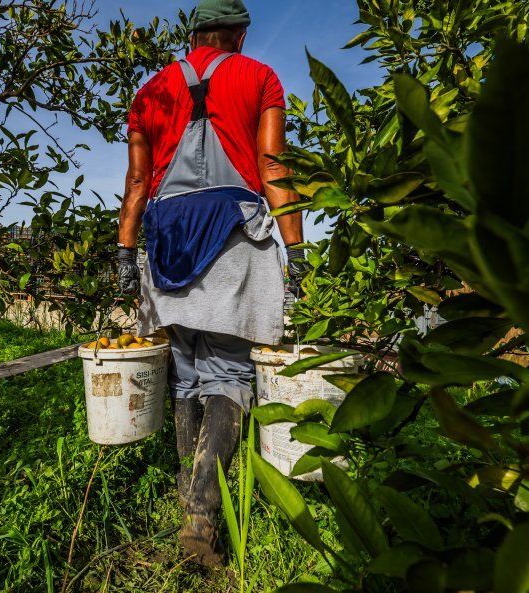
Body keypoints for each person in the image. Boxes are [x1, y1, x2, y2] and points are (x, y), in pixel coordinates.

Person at [116, 0, 306, 566]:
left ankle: (188, 497)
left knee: (188, 368)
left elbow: (137, 179)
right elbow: (274, 169)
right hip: (231, 234)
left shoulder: (151, 91)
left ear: (195, 34)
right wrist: (296, 251)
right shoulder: (260, 77)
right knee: (227, 370)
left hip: (168, 239)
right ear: (239, 35)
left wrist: (126, 252)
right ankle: (200, 528)